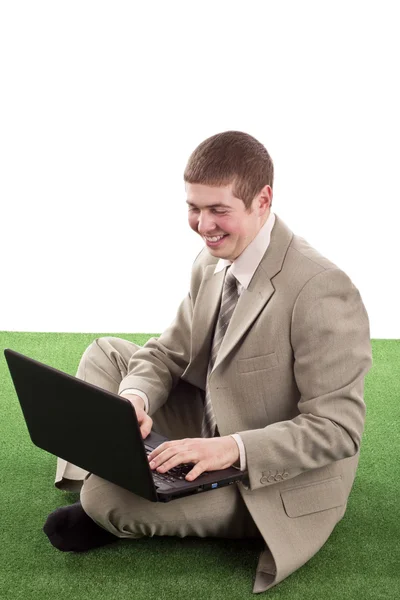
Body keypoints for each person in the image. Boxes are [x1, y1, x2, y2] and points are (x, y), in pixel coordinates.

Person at [43, 131, 373, 594]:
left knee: (101, 498)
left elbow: (338, 429)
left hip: (271, 474)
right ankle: (124, 471)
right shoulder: (211, 260)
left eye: (219, 210)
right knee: (106, 355)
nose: (203, 224)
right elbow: (165, 352)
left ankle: (108, 497)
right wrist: (133, 399)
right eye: (194, 207)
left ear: (263, 200)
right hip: (211, 413)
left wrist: (230, 448)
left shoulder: (321, 289)